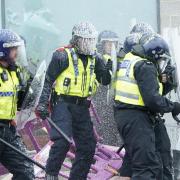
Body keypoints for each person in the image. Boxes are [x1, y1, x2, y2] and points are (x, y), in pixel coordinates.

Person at [36, 21, 112, 180]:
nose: (89, 44)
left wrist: (108, 68)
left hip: (82, 107)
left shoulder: (95, 58)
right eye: (86, 40)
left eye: (92, 40)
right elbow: (48, 80)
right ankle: (51, 175)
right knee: (62, 141)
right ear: (76, 40)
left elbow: (104, 81)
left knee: (88, 146)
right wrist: (42, 103)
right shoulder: (61, 55)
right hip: (63, 104)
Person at [114, 33, 180, 180]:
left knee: (146, 163)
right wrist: (173, 106)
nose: (161, 65)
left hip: (127, 116)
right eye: (161, 60)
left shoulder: (131, 59)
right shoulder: (146, 66)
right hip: (137, 118)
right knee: (146, 168)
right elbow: (153, 100)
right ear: (155, 55)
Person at [0, 29, 34, 180]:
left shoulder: (14, 71)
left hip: (8, 130)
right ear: (3, 50)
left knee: (25, 169)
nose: (17, 52)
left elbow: (19, 102)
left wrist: (30, 93)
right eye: (13, 48)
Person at [93, 30, 122, 146]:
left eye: (114, 43)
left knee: (115, 130)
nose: (111, 46)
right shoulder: (99, 59)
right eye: (108, 44)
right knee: (104, 129)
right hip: (101, 100)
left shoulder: (120, 60)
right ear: (102, 45)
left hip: (115, 100)